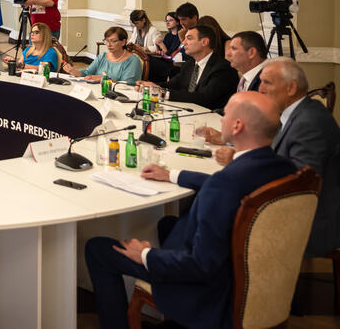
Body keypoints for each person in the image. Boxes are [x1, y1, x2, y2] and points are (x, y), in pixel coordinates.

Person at [85, 91, 294, 329]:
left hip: (206, 292)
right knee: (168, 224)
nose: (221, 119)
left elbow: (199, 265)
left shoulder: (224, 184)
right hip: (251, 278)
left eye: (225, 114)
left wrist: (145, 254)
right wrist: (173, 175)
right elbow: (231, 186)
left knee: (98, 249)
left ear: (237, 126)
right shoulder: (285, 169)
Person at [203, 59, 340, 257]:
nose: (260, 89)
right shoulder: (295, 114)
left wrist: (238, 161)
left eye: (267, 82)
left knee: (214, 210)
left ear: (291, 87)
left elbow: (298, 185)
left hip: (310, 224)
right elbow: (273, 155)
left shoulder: (309, 123)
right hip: (287, 207)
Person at [138, 25, 237, 111]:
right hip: (189, 112)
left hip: (212, 118)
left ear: (204, 42)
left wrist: (164, 94)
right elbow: (174, 84)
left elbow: (205, 98)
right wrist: (151, 85)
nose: (184, 42)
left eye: (189, 38)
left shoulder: (222, 68)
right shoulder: (190, 64)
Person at [61, 26, 141, 83]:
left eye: (113, 41)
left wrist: (104, 79)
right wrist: (74, 71)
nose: (108, 44)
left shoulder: (133, 61)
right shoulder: (103, 56)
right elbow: (87, 72)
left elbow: (128, 85)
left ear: (123, 42)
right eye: (106, 41)